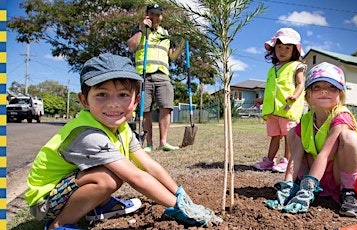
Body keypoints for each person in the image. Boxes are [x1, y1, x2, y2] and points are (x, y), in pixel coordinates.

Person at [24, 53, 222, 230]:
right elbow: (136, 177)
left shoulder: (120, 126)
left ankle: (98, 205)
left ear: (136, 101)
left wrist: (180, 195)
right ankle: (60, 224)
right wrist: (178, 207)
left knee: (111, 172)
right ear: (84, 100)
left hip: (71, 184)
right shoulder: (87, 133)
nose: (113, 103)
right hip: (46, 201)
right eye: (102, 94)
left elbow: (149, 165)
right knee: (108, 177)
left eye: (123, 95)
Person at [265, 62, 357, 217]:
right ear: (308, 96)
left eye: (332, 87)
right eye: (317, 87)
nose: (324, 91)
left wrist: (308, 188)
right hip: (315, 173)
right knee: (292, 132)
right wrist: (288, 183)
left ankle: (348, 193)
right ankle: (299, 186)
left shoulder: (341, 117)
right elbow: (296, 156)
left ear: (340, 95)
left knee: (350, 138)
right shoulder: (305, 121)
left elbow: (324, 154)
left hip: (338, 173)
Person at [127, 4, 185, 152]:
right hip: (143, 74)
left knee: (166, 107)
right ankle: (148, 144)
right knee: (145, 110)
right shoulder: (139, 30)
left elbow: (172, 56)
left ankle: (163, 142)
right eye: (152, 14)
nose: (155, 17)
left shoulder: (166, 34)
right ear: (147, 14)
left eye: (158, 14)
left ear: (161, 16)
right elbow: (131, 46)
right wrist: (141, 29)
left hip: (163, 74)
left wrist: (183, 43)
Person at [253, 28, 306, 173]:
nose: (282, 51)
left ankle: (287, 161)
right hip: (273, 110)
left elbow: (301, 84)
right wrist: (262, 100)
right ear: (273, 49)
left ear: (295, 50)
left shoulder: (297, 66)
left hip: (288, 108)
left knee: (290, 136)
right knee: (274, 136)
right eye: (279, 47)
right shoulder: (272, 69)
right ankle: (269, 161)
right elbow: (273, 91)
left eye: (287, 47)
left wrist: (295, 95)